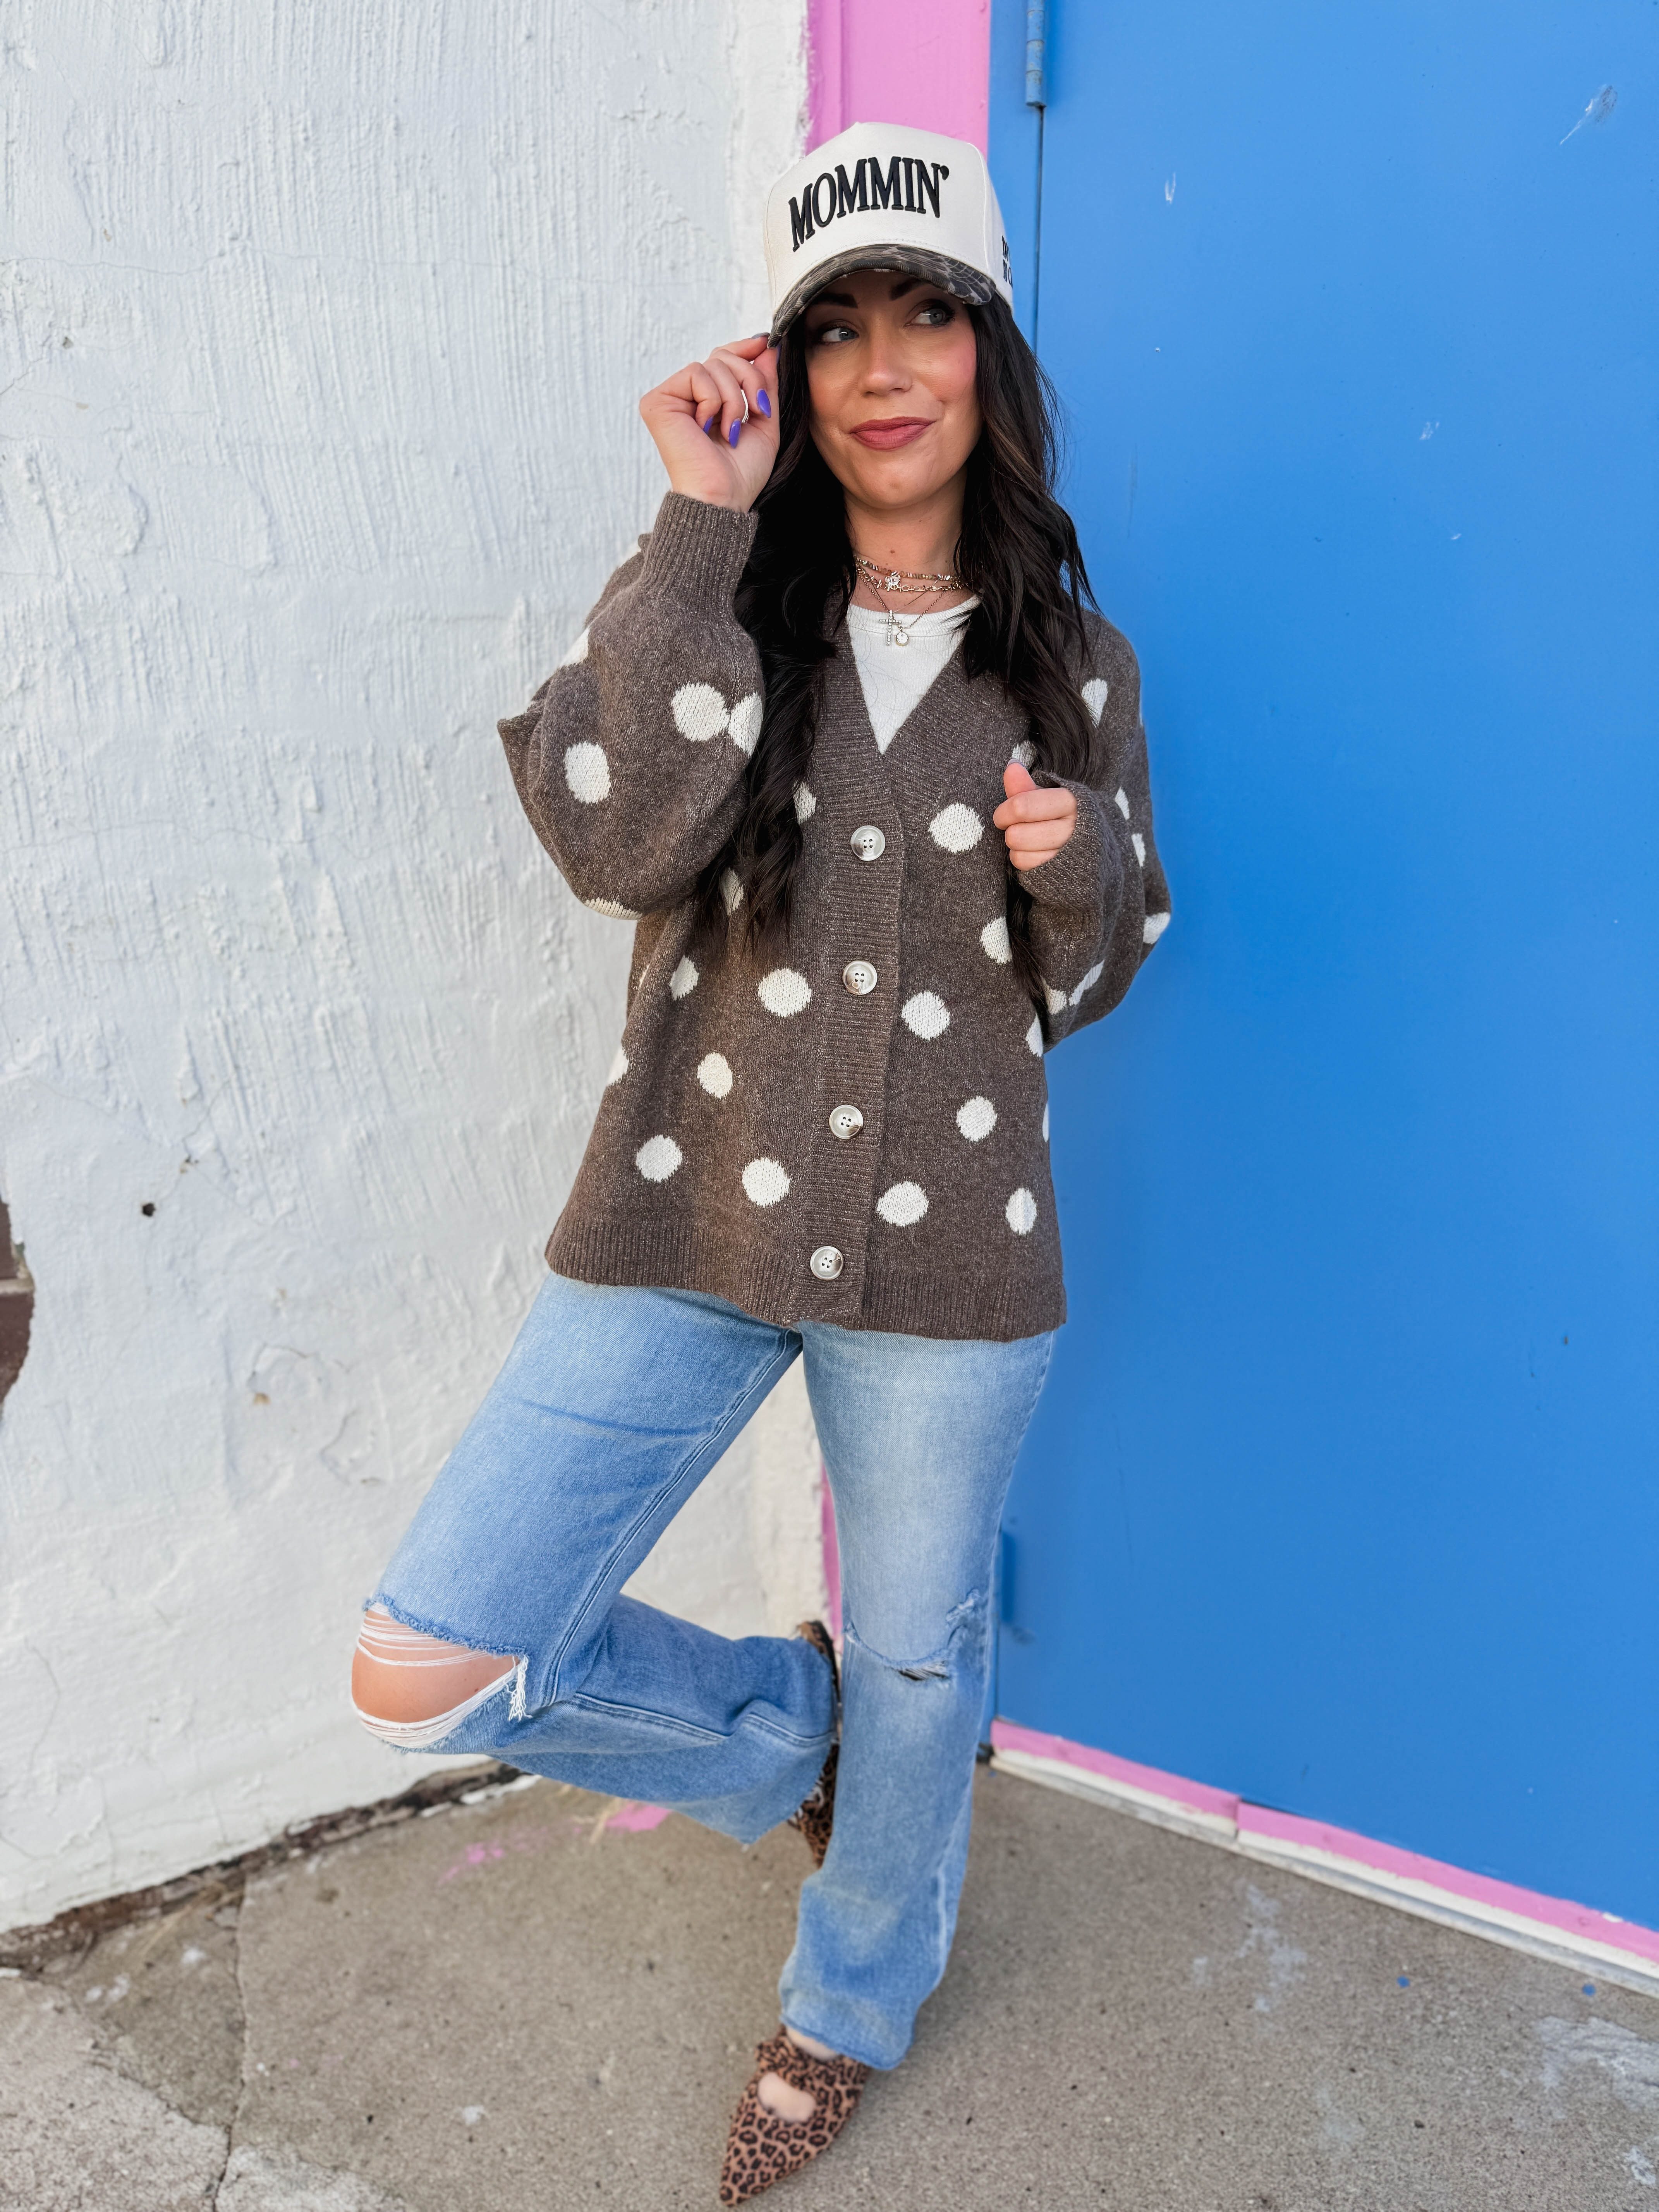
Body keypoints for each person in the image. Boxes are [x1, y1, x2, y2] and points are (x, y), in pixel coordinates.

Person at [349, 121, 1170, 2204]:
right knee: (438, 1658)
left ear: (990, 354)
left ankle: (851, 2000)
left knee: (925, 1654)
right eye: (835, 328)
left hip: (956, 1274)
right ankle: (787, 1743)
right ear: (787, 371)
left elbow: (1096, 979)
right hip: (683, 1216)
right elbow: (611, 831)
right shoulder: (721, 598)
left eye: (928, 317)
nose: (883, 367)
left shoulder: (1073, 666)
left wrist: (1076, 871)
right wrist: (698, 520)